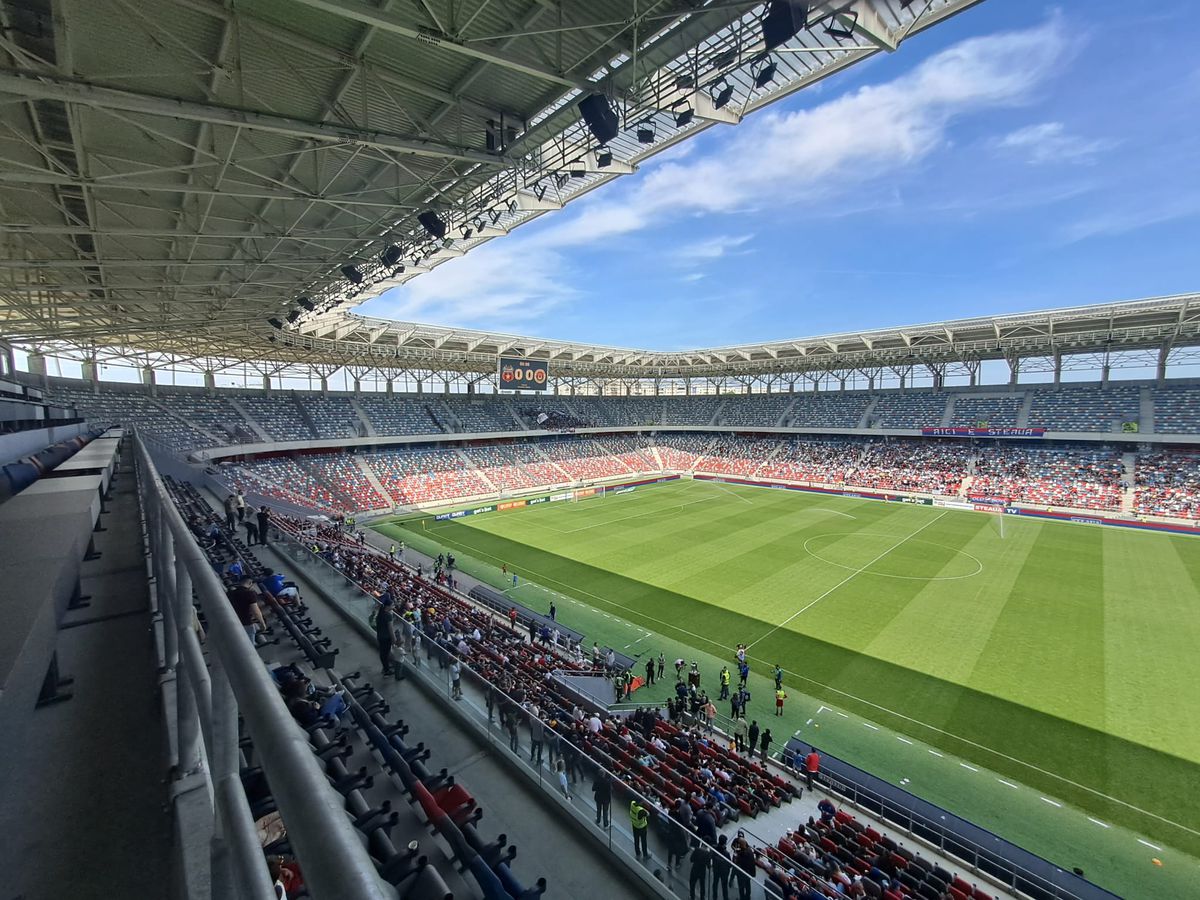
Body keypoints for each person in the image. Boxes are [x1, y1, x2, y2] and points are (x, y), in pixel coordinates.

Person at [228, 577, 267, 644]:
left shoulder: (230, 593)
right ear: (250, 583)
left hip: (233, 622)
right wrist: (263, 624)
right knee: (250, 645)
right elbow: (256, 612)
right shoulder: (249, 594)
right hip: (246, 623)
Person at [375, 595, 397, 676]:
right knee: (385, 653)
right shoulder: (388, 615)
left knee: (383, 653)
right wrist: (394, 639)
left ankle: (385, 667)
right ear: (388, 606)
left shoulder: (381, 613)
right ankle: (386, 670)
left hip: (380, 636)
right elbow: (390, 629)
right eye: (392, 605)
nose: (394, 606)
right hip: (386, 638)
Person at [731, 832, 755, 900]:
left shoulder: (742, 855)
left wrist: (736, 855)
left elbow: (737, 862)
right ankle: (748, 897)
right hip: (750, 872)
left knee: (741, 887)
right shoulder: (750, 851)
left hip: (743, 873)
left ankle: (742, 898)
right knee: (748, 885)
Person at [711, 835, 732, 900]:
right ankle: (725, 898)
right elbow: (730, 864)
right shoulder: (726, 853)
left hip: (716, 869)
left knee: (715, 883)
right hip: (724, 872)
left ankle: (715, 897)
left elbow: (712, 856)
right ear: (725, 843)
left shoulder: (714, 847)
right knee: (724, 886)